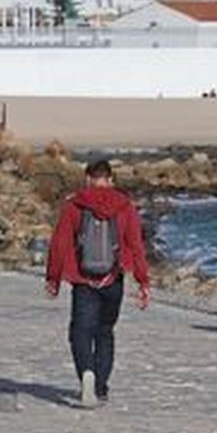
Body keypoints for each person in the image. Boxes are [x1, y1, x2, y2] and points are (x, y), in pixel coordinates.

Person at [45, 159, 150, 408]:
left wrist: (53, 278)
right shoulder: (124, 206)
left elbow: (60, 244)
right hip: (113, 278)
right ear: (111, 180)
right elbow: (136, 245)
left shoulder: (74, 205)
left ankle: (87, 374)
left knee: (80, 331)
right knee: (105, 332)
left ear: (88, 179)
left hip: (83, 280)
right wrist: (143, 281)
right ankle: (101, 387)